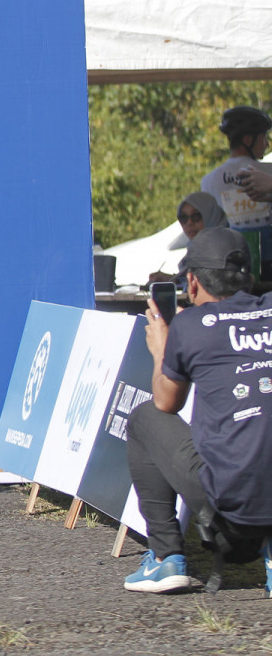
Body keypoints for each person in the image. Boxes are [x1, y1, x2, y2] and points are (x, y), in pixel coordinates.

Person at [123, 227, 272, 593]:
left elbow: (167, 402)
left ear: (191, 282)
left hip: (231, 507)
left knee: (144, 417)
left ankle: (165, 557)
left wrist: (162, 349)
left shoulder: (190, 325)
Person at [201, 105, 272, 267]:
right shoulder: (269, 172)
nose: (267, 144)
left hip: (233, 264)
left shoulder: (208, 181)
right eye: (263, 138)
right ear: (248, 140)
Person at [147, 192, 226, 283]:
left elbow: (211, 283)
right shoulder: (195, 252)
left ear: (211, 216)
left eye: (196, 216)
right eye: (183, 218)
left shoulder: (224, 251)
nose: (189, 223)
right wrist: (173, 279)